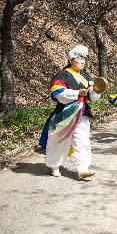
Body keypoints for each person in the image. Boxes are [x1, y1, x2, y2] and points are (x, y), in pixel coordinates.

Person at [39, 45, 102, 180]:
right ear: (71, 59)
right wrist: (76, 93)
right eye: (79, 58)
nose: (83, 61)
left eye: (84, 58)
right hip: (65, 113)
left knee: (82, 141)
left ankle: (82, 169)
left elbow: (91, 97)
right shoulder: (62, 75)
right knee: (59, 140)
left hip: (83, 112)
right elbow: (57, 93)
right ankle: (54, 166)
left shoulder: (86, 76)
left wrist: (96, 91)